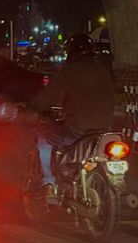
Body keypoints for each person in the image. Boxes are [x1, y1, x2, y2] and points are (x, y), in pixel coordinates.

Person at [27, 32, 115, 199]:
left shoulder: (70, 70)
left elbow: (48, 96)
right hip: (104, 130)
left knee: (42, 136)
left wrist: (32, 106)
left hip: (78, 130)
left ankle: (49, 182)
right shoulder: (102, 69)